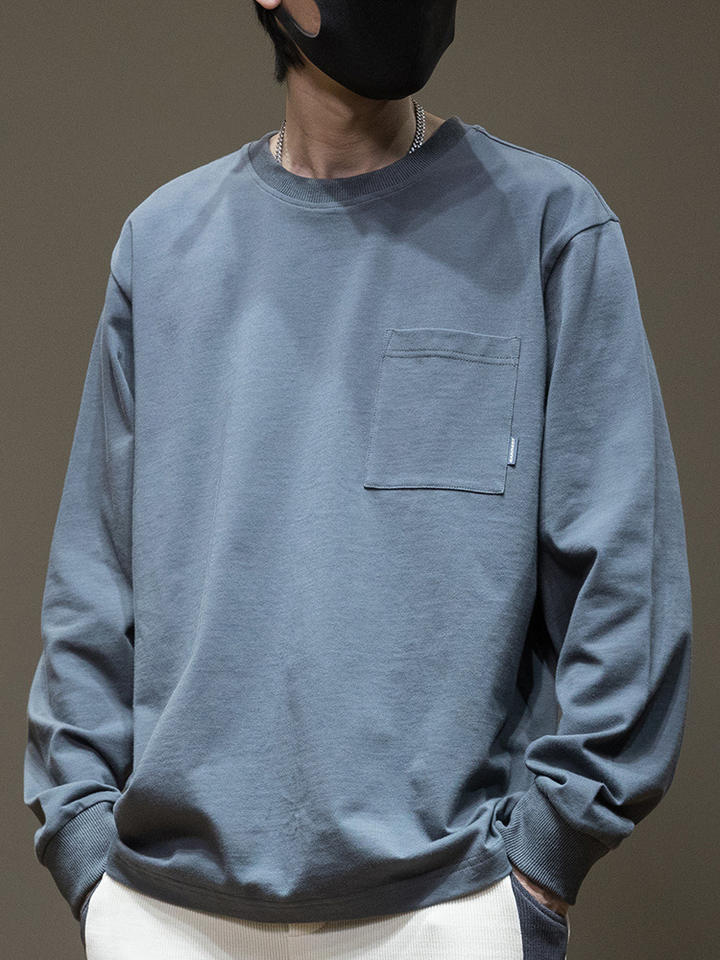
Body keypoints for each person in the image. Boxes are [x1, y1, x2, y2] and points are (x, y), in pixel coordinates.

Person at [23, 1, 693, 958]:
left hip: (450, 909)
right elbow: (92, 583)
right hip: (163, 915)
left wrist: (546, 856)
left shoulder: (550, 226)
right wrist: (87, 852)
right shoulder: (162, 244)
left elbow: (626, 574)